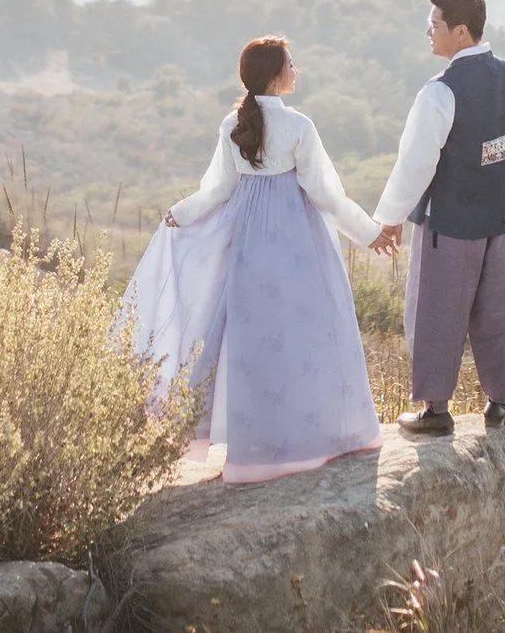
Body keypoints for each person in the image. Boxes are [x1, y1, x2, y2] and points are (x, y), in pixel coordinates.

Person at [120, 36, 384, 482]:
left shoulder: (233, 123)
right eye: (291, 64)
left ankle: (252, 452)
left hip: (246, 244)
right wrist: (369, 233)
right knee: (306, 335)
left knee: (251, 342)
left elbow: (218, 190)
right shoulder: (298, 126)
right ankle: (313, 437)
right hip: (297, 245)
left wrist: (181, 213)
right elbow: (326, 195)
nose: (296, 71)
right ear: (276, 75)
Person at [368, 0, 505, 436]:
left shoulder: (440, 91)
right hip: (498, 221)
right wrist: (499, 199)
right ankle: (500, 404)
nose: (428, 31)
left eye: (434, 24)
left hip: (449, 224)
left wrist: (390, 218)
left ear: (460, 31)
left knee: (436, 313)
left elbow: (416, 163)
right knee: (498, 313)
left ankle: (436, 411)